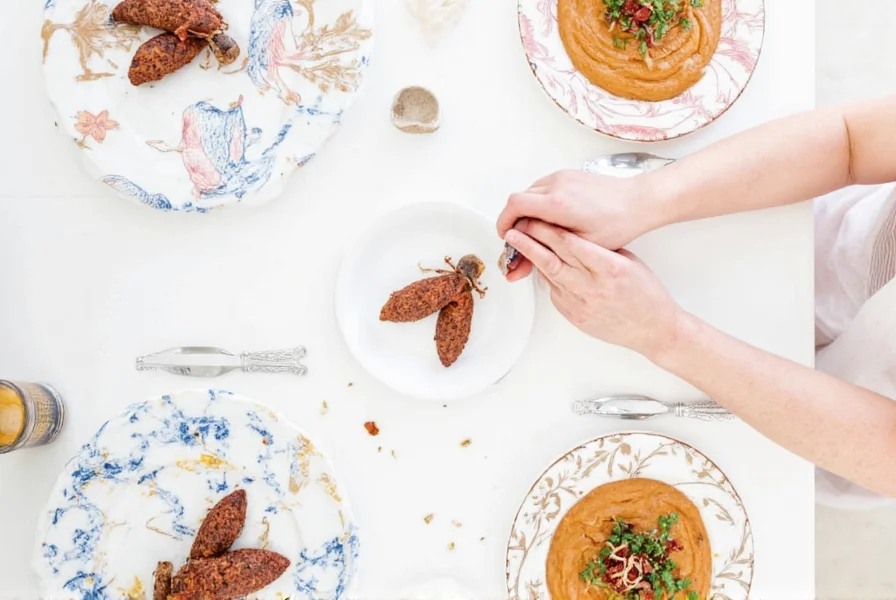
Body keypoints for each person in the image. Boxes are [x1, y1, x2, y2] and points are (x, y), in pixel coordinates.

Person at [497, 95, 896, 506]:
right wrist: (640, 198)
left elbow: (887, 448)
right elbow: (851, 142)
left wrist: (663, 333)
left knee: (750, 458)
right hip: (852, 241)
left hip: (856, 418)